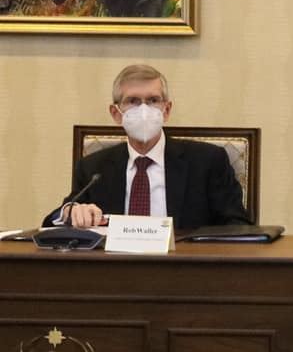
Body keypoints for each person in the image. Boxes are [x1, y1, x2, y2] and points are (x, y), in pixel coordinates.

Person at [50, 63, 250, 230]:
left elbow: (238, 225)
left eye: (153, 100)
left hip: (184, 263)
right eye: (133, 101)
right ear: (116, 113)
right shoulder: (94, 168)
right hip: (114, 264)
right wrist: (70, 211)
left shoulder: (207, 161)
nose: (144, 109)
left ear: (167, 110)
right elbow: (54, 220)